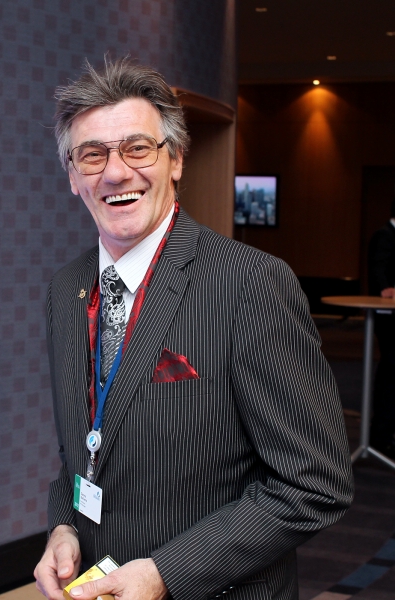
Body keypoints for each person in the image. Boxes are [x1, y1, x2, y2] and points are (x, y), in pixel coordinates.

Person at [34, 57, 353, 600]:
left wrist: (165, 573)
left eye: (138, 148)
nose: (115, 172)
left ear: (176, 159)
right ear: (72, 176)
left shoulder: (251, 284)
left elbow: (315, 482)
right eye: (92, 155)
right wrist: (64, 524)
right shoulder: (66, 290)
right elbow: (83, 448)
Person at [368, 201, 395, 459]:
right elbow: (379, 271)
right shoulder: (385, 235)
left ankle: (386, 434)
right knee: (390, 372)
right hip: (388, 317)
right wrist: (386, 288)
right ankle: (381, 436)